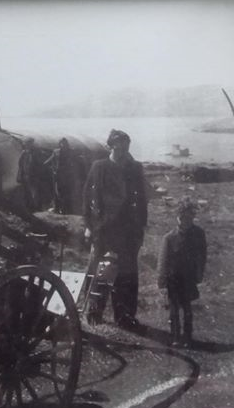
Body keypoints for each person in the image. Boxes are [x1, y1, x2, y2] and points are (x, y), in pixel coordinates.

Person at [82, 129, 148, 330]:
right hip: (103, 230)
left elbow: (142, 199)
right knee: (99, 272)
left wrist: (140, 228)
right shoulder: (99, 167)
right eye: (119, 146)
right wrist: (88, 226)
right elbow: (87, 198)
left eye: (126, 146)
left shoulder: (135, 168)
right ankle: (93, 313)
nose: (123, 151)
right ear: (111, 146)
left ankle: (125, 316)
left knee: (127, 275)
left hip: (128, 232)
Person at [157, 197, 207, 348]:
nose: (185, 221)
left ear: (193, 217)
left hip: (189, 277)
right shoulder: (169, 238)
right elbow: (163, 259)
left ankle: (188, 336)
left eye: (188, 217)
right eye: (182, 217)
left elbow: (202, 256)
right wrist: (161, 277)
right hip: (173, 278)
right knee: (173, 308)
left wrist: (199, 273)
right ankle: (175, 336)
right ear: (177, 218)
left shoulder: (198, 234)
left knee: (187, 307)